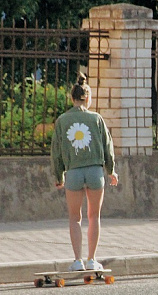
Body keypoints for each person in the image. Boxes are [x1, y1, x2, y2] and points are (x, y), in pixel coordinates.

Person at [51, 72, 119, 271]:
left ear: (71, 98)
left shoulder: (62, 121)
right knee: (94, 216)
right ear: (88, 98)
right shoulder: (97, 119)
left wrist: (58, 175)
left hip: (73, 173)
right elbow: (108, 146)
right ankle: (92, 259)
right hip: (95, 173)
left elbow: (56, 151)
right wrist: (111, 171)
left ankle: (77, 261)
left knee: (75, 218)